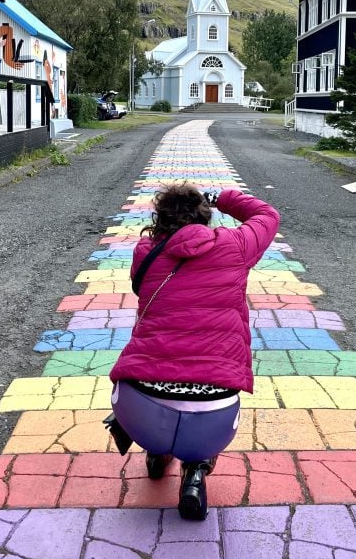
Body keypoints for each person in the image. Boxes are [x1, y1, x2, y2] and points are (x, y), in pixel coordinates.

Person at [109, 183, 280, 520]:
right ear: (205, 216)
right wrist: (222, 198)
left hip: (141, 409)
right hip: (213, 413)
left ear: (159, 219)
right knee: (206, 402)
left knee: (135, 377)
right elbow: (267, 214)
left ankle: (156, 454)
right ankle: (196, 471)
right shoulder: (236, 246)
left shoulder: (146, 252)